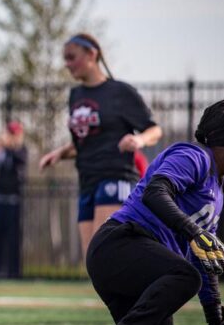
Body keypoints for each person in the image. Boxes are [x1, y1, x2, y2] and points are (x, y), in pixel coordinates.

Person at [14, 99, 224, 325]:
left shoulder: (220, 191)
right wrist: (193, 231)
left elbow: (203, 258)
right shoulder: (193, 156)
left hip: (146, 273)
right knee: (185, 276)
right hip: (117, 246)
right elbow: (155, 192)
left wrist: (216, 323)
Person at [38, 34, 162, 254]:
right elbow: (86, 142)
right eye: (65, 59)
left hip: (115, 176)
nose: (67, 64)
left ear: (91, 54)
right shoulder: (75, 95)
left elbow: (155, 130)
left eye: (71, 57)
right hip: (87, 180)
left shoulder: (120, 92)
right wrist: (60, 153)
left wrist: (139, 139)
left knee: (104, 251)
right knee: (92, 260)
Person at [0, 120, 27, 278]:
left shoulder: (21, 150)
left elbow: (20, 161)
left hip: (13, 199)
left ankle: (14, 271)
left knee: (13, 237)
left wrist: (8, 148)